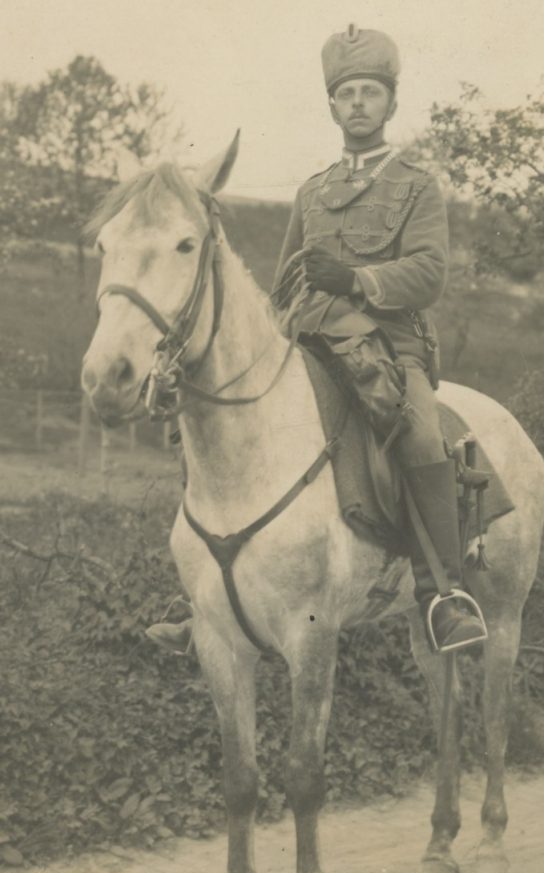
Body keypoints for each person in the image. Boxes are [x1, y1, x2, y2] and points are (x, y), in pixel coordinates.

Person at [148, 25, 486, 655]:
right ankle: (204, 595)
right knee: (212, 420)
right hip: (310, 341)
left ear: (389, 103)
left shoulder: (415, 185)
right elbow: (282, 287)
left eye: (370, 92)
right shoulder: (313, 190)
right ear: (332, 105)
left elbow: (429, 273)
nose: (358, 103)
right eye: (347, 93)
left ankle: (443, 591)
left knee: (416, 427)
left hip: (388, 344)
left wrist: (356, 279)